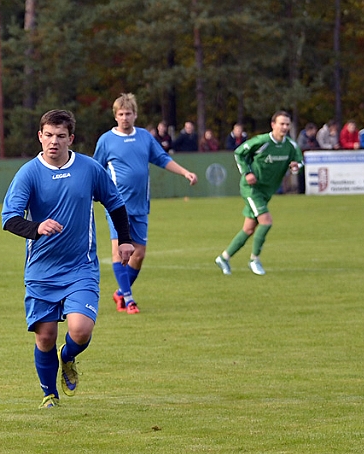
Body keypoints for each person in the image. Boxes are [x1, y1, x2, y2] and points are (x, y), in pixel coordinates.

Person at [1, 109, 133, 408]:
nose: (54, 141)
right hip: (41, 270)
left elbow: (115, 203)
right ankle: (49, 395)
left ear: (70, 138)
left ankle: (68, 355)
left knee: (80, 330)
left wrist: (125, 240)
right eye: (48, 135)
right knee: (45, 336)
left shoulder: (89, 168)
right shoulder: (28, 173)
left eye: (61, 136)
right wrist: (36, 227)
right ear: (40, 136)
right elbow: (9, 219)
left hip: (80, 267)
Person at [93, 94, 197, 315]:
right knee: (119, 251)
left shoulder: (144, 137)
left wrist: (184, 172)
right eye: (121, 114)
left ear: (135, 115)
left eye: (128, 113)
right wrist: (92, 192)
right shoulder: (106, 140)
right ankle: (129, 299)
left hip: (140, 205)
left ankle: (121, 292)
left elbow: (162, 159)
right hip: (116, 205)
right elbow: (96, 169)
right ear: (115, 116)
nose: (125, 118)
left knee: (138, 254)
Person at [214, 111, 303, 277]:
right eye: (281, 124)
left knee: (248, 229)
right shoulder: (262, 141)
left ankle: (224, 258)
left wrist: (295, 167)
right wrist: (247, 172)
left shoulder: (291, 145)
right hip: (252, 189)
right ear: (273, 125)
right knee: (266, 221)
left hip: (267, 191)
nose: (284, 127)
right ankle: (254, 259)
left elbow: (299, 162)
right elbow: (239, 152)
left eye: (287, 124)